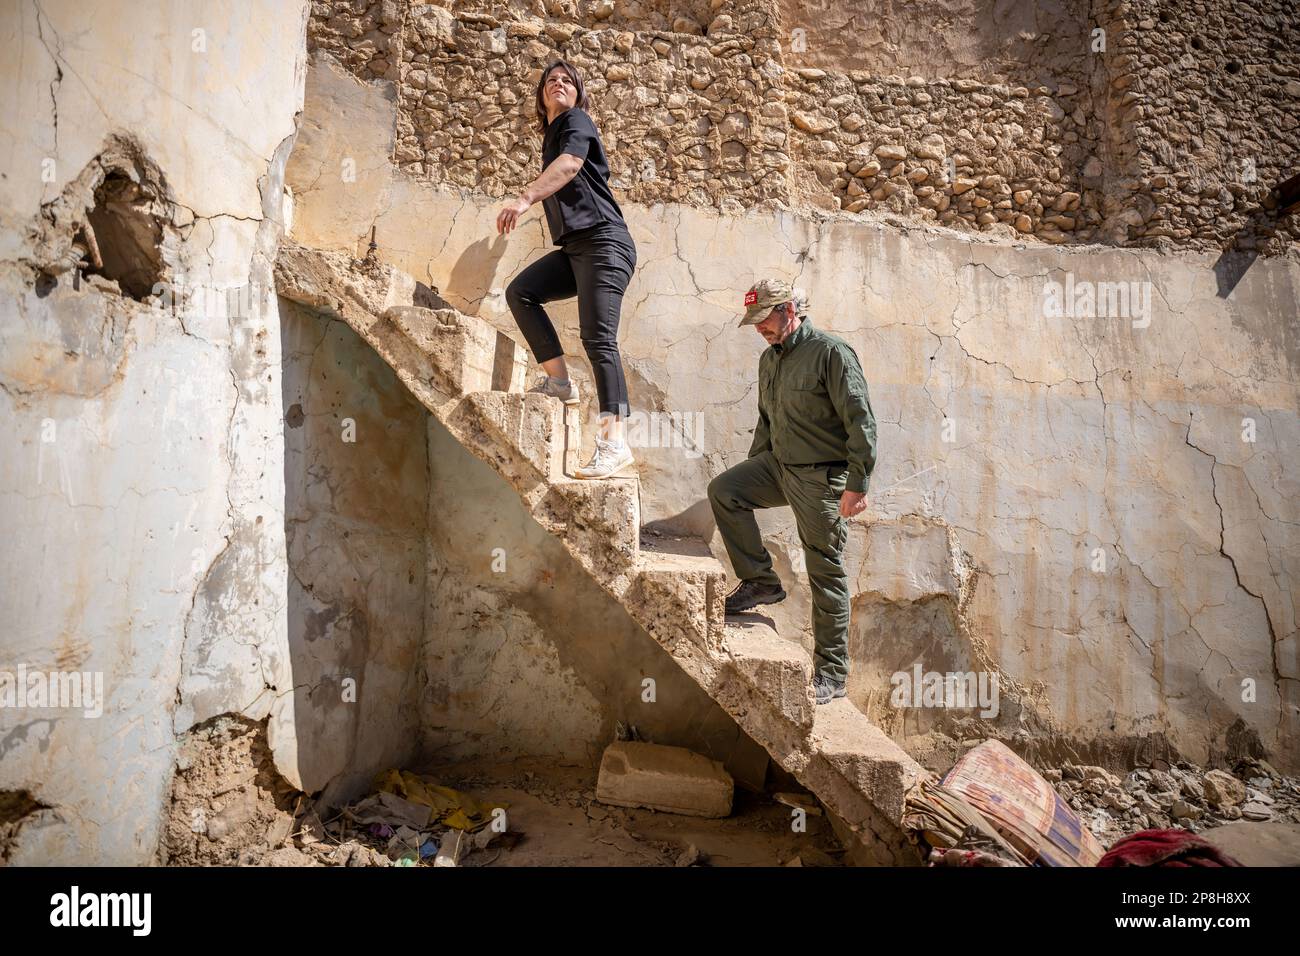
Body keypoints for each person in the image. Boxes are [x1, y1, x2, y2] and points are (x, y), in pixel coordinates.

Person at [707, 278, 878, 705]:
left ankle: (832, 676)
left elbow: (861, 420)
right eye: (755, 323)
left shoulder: (830, 353)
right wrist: (752, 468)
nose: (759, 329)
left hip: (821, 478)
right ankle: (761, 581)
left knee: (826, 572)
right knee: (725, 491)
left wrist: (857, 484)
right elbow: (766, 422)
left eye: (764, 319)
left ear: (787, 310)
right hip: (778, 466)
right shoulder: (770, 360)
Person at [497, 59, 638, 479]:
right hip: (578, 246)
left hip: (604, 241)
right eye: (550, 81)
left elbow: (571, 166)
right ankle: (560, 382)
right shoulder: (553, 135)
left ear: (578, 95)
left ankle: (615, 443)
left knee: (599, 339)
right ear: (541, 97)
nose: (558, 83)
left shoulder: (576, 121)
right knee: (521, 292)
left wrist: (524, 200)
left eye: (567, 81)